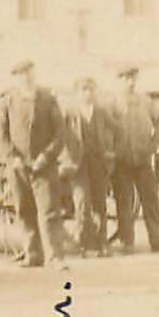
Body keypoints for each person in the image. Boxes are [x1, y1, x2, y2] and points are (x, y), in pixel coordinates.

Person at [0, 60, 69, 269]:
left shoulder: (48, 99)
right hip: (18, 166)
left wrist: (46, 157)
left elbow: (60, 133)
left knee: (49, 211)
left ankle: (55, 256)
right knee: (24, 210)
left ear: (34, 73)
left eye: (29, 72)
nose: (26, 77)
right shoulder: (8, 101)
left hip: (44, 166)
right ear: (16, 77)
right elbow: (1, 134)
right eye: (20, 74)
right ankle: (33, 254)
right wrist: (13, 157)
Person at [111, 65, 159, 253]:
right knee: (124, 203)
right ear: (118, 80)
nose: (130, 82)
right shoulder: (112, 102)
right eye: (126, 78)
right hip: (121, 161)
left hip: (143, 159)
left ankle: (158, 242)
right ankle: (127, 243)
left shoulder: (145, 101)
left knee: (151, 201)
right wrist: (112, 151)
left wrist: (153, 144)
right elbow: (104, 129)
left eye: (133, 78)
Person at [63, 77, 117, 257]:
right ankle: (83, 244)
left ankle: (102, 243)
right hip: (78, 164)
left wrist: (113, 152)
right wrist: (66, 156)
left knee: (100, 204)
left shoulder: (101, 112)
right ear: (77, 93)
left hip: (98, 162)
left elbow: (118, 131)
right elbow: (59, 135)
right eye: (83, 90)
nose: (88, 94)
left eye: (91, 90)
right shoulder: (69, 113)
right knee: (82, 202)